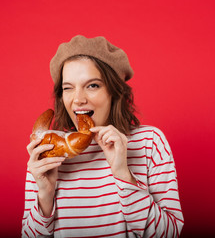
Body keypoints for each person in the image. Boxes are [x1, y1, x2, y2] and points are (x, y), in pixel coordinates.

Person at [22, 35, 184, 237]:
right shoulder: (48, 150)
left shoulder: (150, 142)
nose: (78, 99)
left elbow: (168, 234)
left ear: (114, 92)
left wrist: (123, 175)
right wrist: (45, 195)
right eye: (68, 88)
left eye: (92, 85)